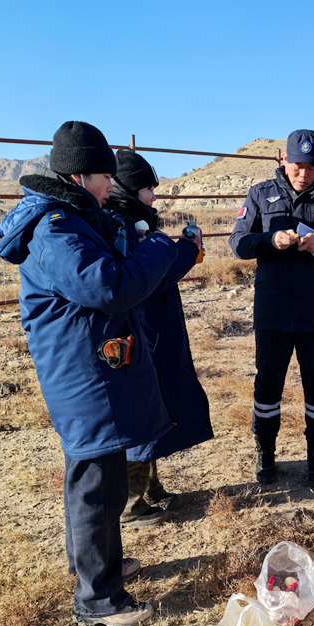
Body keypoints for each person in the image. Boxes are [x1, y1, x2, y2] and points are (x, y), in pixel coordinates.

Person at [0, 122, 182, 626]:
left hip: (92, 369)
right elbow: (108, 287)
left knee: (99, 478)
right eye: (104, 177)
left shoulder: (75, 218)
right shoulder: (56, 229)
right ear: (80, 175)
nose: (109, 187)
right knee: (96, 485)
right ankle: (98, 600)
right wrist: (159, 247)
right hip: (84, 376)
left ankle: (98, 567)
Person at [229, 130, 314, 487]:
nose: (304, 174)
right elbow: (238, 243)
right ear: (283, 158)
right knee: (267, 385)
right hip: (272, 310)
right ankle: (266, 455)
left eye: (312, 167)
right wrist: (271, 239)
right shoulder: (260, 194)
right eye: (297, 165)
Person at [104, 149, 213, 528]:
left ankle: (150, 488)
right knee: (140, 408)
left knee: (155, 407)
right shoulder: (118, 226)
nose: (153, 196)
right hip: (139, 332)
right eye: (147, 188)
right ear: (127, 189)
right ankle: (131, 503)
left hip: (151, 328)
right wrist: (186, 249)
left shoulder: (130, 221)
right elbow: (154, 277)